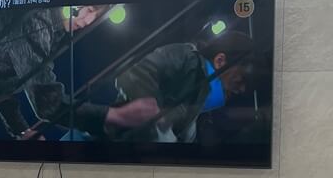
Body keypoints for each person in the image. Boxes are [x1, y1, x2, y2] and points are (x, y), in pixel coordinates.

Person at [0, 3, 162, 139]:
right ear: (74, 7)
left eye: (95, 16)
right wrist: (115, 116)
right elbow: (46, 102)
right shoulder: (37, 21)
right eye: (90, 10)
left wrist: (22, 131)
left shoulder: (54, 33)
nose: (88, 21)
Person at [109, 21, 257, 142]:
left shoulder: (201, 110)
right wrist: (158, 124)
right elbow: (134, 76)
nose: (241, 90)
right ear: (220, 61)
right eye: (240, 80)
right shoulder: (185, 58)